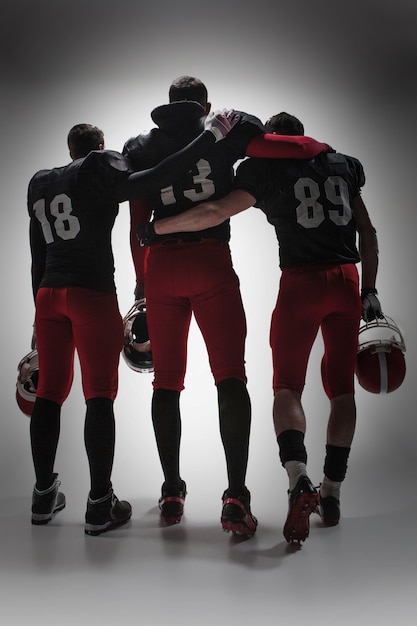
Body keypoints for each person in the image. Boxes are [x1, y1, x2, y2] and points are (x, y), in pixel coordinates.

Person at [139, 111, 382, 543]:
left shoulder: (264, 170)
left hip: (300, 283)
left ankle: (297, 477)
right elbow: (368, 231)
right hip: (346, 281)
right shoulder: (343, 163)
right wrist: (370, 289)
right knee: (342, 391)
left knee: (286, 387)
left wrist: (158, 228)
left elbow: (212, 211)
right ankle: (332, 491)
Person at [123, 76, 329, 537]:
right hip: (211, 260)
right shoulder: (224, 127)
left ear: (169, 104)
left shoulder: (139, 146)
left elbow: (138, 224)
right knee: (230, 377)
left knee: (166, 382)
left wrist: (141, 285)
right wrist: (319, 146)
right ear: (206, 104)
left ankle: (172, 490)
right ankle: (236, 495)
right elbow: (291, 149)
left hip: (160, 268)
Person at [27, 112, 238, 535]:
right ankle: (100, 503)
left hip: (49, 295)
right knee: (98, 396)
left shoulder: (40, 181)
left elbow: (37, 254)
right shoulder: (102, 166)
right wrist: (211, 138)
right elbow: (158, 174)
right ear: (99, 147)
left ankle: (43, 495)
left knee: (50, 392)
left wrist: (37, 314)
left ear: (69, 151)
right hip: (91, 294)